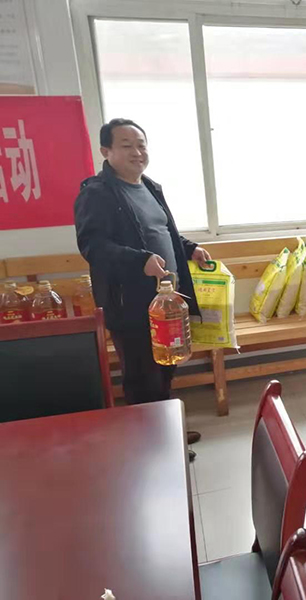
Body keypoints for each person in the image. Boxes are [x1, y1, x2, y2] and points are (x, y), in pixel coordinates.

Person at [74, 118, 210, 460]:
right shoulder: (97, 193)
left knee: (166, 366)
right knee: (142, 376)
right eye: (127, 145)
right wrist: (140, 261)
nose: (137, 152)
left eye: (141, 145)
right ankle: (151, 449)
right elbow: (93, 247)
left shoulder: (149, 187)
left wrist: (190, 248)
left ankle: (166, 431)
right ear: (105, 151)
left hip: (168, 302)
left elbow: (160, 232)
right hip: (131, 306)